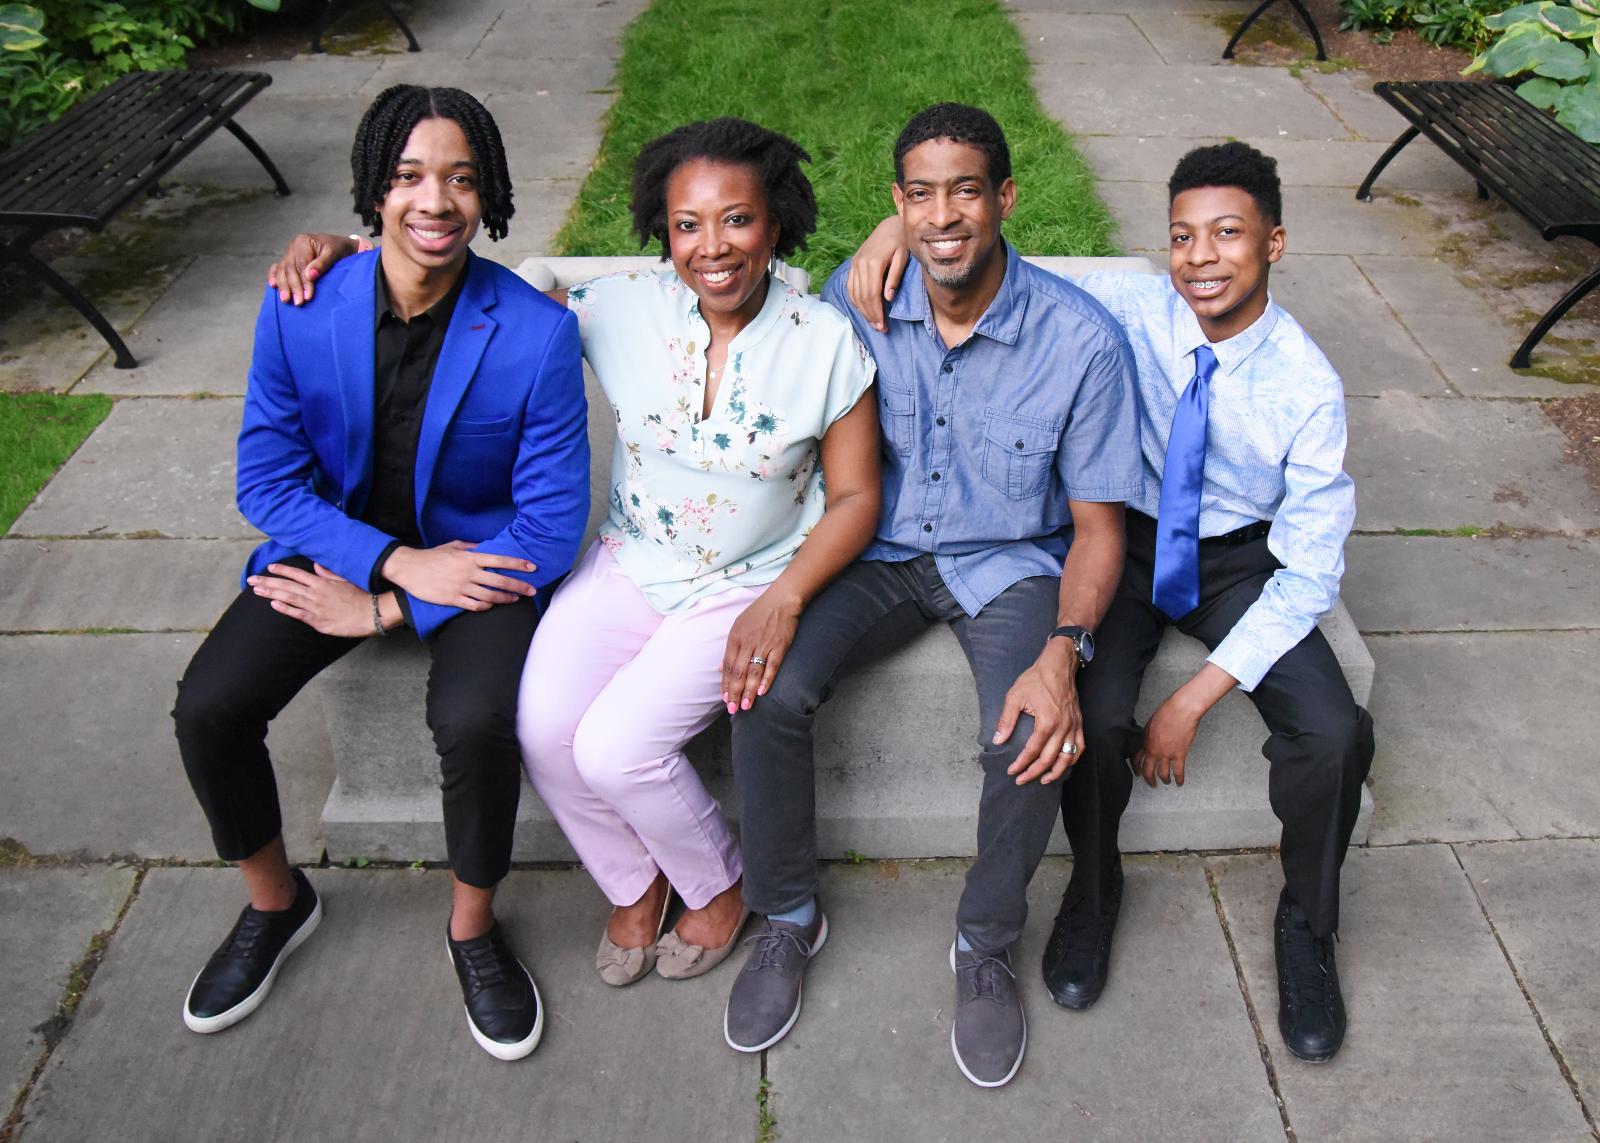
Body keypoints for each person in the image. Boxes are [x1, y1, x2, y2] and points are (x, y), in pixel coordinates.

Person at [266, 120, 882, 989]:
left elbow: (857, 497)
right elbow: (518, 287)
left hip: (750, 582)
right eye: (686, 225)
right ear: (662, 231)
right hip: (631, 558)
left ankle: (716, 885)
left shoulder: (824, 341)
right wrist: (358, 246)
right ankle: (636, 881)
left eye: (737, 220)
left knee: (616, 747)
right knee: (542, 725)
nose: (712, 247)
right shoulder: (623, 305)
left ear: (775, 223)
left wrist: (784, 600)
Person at [850, 141, 1376, 1064]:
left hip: (1245, 562)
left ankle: (1308, 922)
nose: (1201, 258)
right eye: (1182, 236)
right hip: (1124, 541)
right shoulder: (1128, 311)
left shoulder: (1308, 385)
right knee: (1083, 716)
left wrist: (1194, 695)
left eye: (1227, 235)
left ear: (1275, 243)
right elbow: (981, 254)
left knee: (1334, 730)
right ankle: (1094, 889)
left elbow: (1310, 572)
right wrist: (890, 227)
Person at [722, 104, 1141, 1089]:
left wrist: (1062, 653)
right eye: (920, 194)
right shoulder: (855, 302)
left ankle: (985, 944)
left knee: (1030, 732)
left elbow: (1097, 532)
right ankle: (785, 916)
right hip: (878, 550)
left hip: (1010, 563)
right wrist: (778, 594)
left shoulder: (1079, 344)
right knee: (763, 685)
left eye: (966, 191)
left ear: (1005, 198)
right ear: (898, 205)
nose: (944, 215)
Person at [173, 85, 590, 1063]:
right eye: (407, 177)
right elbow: (265, 480)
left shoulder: (535, 332)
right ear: (373, 190)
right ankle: (277, 904)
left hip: (482, 561)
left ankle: (474, 930)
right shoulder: (301, 302)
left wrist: (394, 608)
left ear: (488, 196)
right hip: (339, 545)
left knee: (477, 720)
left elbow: (551, 524)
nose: (432, 201)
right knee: (209, 707)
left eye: (458, 178)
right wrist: (385, 570)